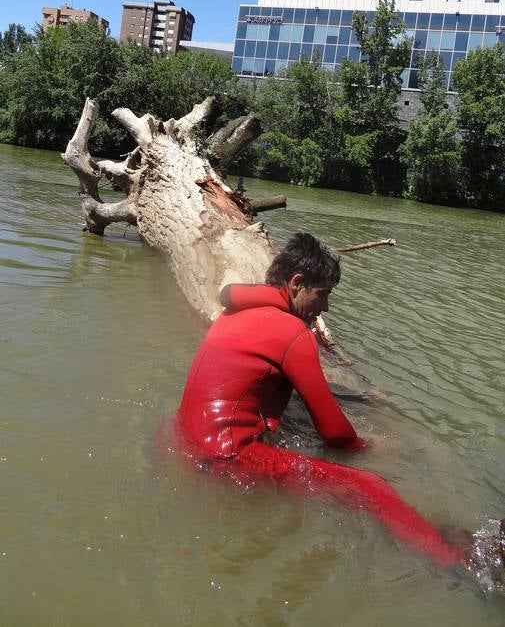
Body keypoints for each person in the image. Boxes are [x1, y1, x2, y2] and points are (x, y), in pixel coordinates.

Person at [168, 233, 493, 571]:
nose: (325, 307)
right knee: (369, 485)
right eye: (322, 295)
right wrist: (372, 447)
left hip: (181, 438)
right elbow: (335, 435)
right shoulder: (293, 334)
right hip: (225, 456)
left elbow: (231, 307)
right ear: (296, 284)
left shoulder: (232, 311)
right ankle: (460, 562)